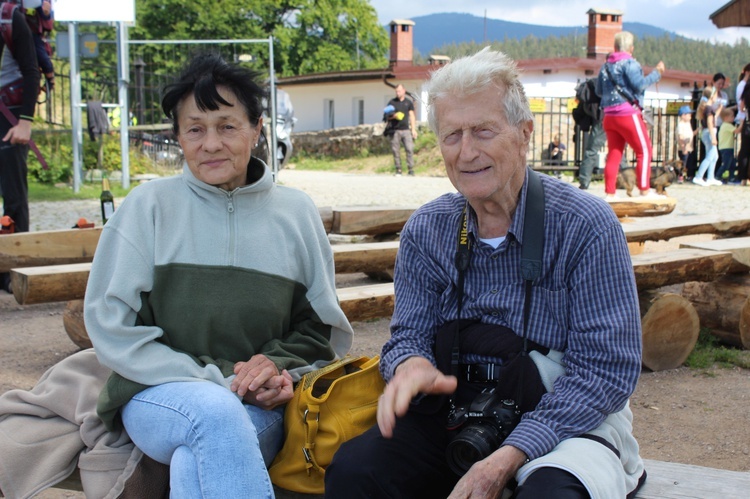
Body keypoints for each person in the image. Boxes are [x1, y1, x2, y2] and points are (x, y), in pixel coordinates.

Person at [326, 47, 646, 499]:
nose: (467, 152)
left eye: (483, 131)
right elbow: (407, 336)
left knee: (549, 494)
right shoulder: (428, 228)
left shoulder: (585, 225)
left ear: (524, 133)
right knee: (357, 472)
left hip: (564, 416)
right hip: (456, 412)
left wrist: (513, 451)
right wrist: (411, 365)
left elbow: (606, 371)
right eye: (452, 135)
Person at [83, 53, 353, 497]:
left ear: (257, 129)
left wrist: (279, 368)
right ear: (178, 137)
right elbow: (111, 326)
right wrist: (218, 381)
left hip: (260, 404)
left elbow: (319, 329)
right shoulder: (147, 207)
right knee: (214, 412)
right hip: (155, 394)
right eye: (195, 129)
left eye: (227, 126)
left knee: (197, 461)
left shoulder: (296, 213)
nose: (211, 144)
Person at [0, 0, 40, 293]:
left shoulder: (10, 18)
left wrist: (25, 121)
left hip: (9, 117)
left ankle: (14, 272)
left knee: (13, 196)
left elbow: (31, 71)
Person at [595, 31, 665, 199]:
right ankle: (644, 190)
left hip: (609, 116)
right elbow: (639, 85)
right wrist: (657, 73)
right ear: (631, 48)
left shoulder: (605, 67)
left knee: (614, 153)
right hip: (627, 114)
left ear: (615, 47)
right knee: (645, 151)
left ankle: (610, 193)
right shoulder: (630, 63)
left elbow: (598, 90)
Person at [384, 83, 418, 176]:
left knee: (409, 149)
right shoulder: (392, 102)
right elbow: (386, 116)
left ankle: (411, 169)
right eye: (396, 91)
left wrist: (413, 129)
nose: (397, 93)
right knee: (396, 150)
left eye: (399, 91)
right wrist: (394, 116)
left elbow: (412, 116)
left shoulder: (408, 102)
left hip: (406, 130)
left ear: (404, 91)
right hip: (395, 130)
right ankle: (398, 169)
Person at [693, 87, 722, 186]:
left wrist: (719, 109)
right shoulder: (709, 108)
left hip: (707, 132)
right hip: (710, 133)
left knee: (715, 156)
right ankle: (699, 176)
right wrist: (713, 137)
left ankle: (710, 177)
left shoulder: (707, 108)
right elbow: (710, 123)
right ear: (712, 96)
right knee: (710, 156)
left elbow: (713, 118)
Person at [716, 107, 737, 183]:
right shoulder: (727, 125)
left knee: (732, 163)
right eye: (732, 116)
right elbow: (737, 131)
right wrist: (742, 123)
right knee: (726, 164)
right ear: (726, 117)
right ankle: (718, 176)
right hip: (726, 148)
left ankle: (731, 177)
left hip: (726, 147)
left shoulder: (724, 125)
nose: (733, 118)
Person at [676, 105, 695, 184]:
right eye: (688, 114)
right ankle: (680, 176)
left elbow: (690, 134)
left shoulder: (688, 124)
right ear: (683, 115)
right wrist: (683, 147)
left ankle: (689, 175)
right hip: (684, 148)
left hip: (689, 147)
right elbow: (680, 137)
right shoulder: (681, 125)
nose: (690, 115)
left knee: (689, 163)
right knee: (683, 163)